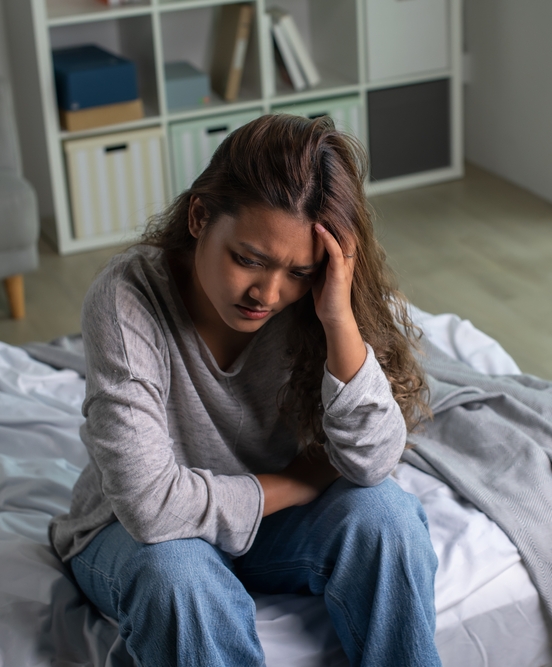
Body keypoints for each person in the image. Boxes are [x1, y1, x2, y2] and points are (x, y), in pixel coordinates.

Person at [48, 114, 442, 667]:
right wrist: (296, 483)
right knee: (179, 578)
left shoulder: (309, 303)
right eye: (248, 260)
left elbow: (373, 461)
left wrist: (338, 319)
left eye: (298, 271)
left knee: (389, 519)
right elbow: (149, 508)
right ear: (200, 216)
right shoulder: (125, 300)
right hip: (134, 539)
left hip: (270, 534)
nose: (268, 292)